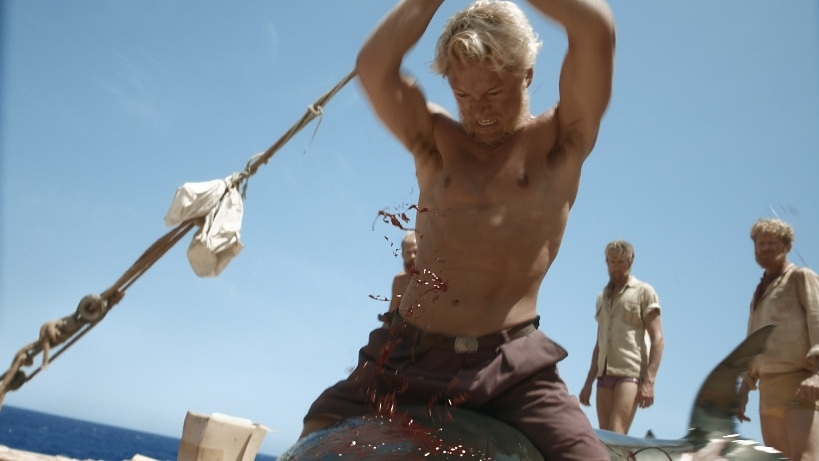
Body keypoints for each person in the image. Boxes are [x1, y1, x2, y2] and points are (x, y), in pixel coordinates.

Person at [301, 0, 615, 458]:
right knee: (318, 429)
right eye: (463, 95)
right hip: (406, 354)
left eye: (493, 93)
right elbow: (373, 66)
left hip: (511, 366)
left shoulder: (560, 142)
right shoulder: (436, 142)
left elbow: (594, 29)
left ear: (527, 75)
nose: (479, 110)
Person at [737, 218, 819, 460]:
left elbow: (817, 320)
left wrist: (817, 375)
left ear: (787, 246)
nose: (765, 248)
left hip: (800, 383)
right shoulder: (759, 292)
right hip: (768, 389)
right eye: (760, 243)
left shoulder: (801, 278)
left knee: (806, 456)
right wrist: (743, 390)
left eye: (772, 243)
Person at [579, 240, 665, 434]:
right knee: (605, 438)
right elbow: (599, 344)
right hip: (604, 373)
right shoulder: (602, 297)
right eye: (612, 262)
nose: (616, 267)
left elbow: (658, 339)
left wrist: (649, 381)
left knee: (617, 432)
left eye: (620, 262)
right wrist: (588, 382)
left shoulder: (644, 292)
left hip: (630, 371)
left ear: (630, 261)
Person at [378, 231, 417, 327]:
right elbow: (392, 313)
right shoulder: (399, 281)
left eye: (416, 252)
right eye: (408, 253)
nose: (412, 257)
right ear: (403, 255)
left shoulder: (435, 278)